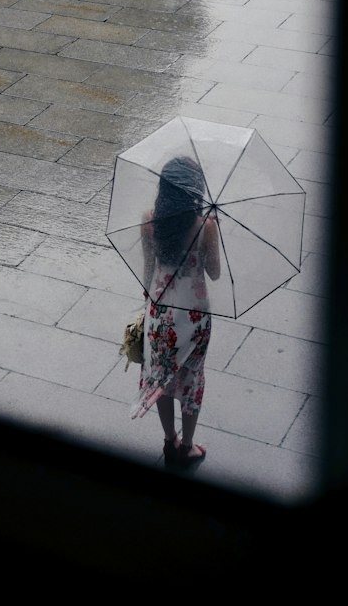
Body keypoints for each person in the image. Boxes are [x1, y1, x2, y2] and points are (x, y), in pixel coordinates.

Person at [131, 155, 221, 468]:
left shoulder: (148, 218)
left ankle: (169, 439)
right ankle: (187, 446)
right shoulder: (205, 226)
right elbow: (215, 273)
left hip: (160, 314)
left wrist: (148, 302)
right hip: (194, 317)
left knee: (161, 379)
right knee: (191, 378)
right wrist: (215, 235)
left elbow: (146, 271)